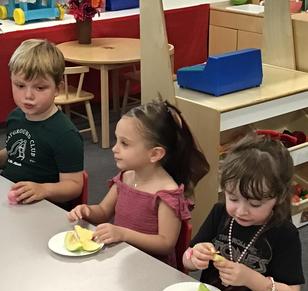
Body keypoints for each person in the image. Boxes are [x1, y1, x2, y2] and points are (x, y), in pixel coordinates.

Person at [68, 99, 209, 266]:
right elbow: (103, 211)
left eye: (124, 144)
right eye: (116, 140)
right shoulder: (125, 178)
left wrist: (124, 234)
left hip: (151, 270)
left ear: (155, 154)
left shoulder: (167, 194)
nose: (114, 148)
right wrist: (87, 211)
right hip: (122, 260)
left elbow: (165, 244)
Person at [183, 134, 305, 291]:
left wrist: (251, 279)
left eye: (255, 204)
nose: (241, 211)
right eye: (232, 198)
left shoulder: (284, 233)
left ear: (278, 198)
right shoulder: (220, 213)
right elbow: (187, 259)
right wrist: (194, 257)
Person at [0, 39, 84, 209]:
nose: (28, 95)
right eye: (20, 85)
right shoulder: (15, 117)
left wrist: (43, 189)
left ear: (57, 88)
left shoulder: (65, 134)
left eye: (39, 88)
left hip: (43, 205)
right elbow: (15, 152)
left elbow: (74, 185)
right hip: (11, 196)